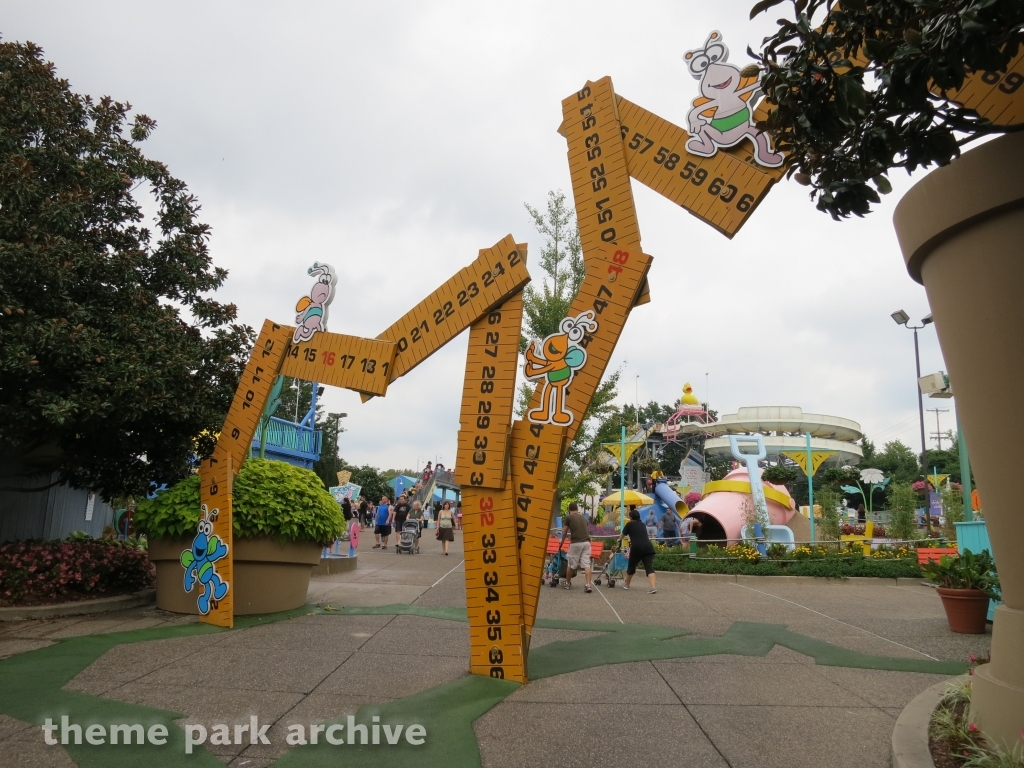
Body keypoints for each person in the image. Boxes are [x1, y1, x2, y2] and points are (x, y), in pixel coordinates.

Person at [619, 507, 657, 593]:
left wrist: (619, 540)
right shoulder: (642, 524)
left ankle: (627, 584)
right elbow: (640, 534)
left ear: (631, 517)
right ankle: (653, 587)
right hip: (648, 547)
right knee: (649, 568)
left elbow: (622, 535)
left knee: (631, 566)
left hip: (637, 547)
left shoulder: (629, 524)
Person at [559, 502, 593, 592]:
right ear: (577, 509)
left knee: (571, 564)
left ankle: (568, 583)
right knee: (586, 564)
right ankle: (588, 585)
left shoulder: (568, 518)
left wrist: (562, 541)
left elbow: (564, 531)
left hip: (576, 543)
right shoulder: (583, 517)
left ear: (569, 510)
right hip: (587, 543)